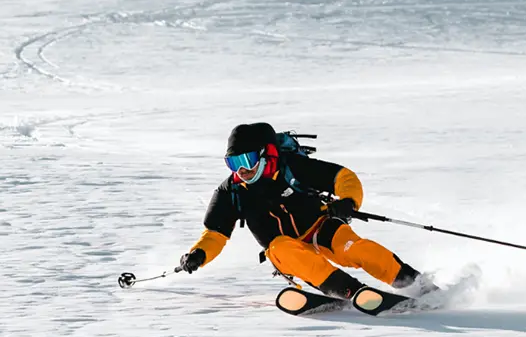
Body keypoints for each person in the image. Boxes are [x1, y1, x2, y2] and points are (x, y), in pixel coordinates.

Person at [178, 122, 429, 299]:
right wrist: (199, 254)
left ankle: (416, 284)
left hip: (321, 228)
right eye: (233, 163)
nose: (240, 170)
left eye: (246, 160)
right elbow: (215, 234)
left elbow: (343, 177)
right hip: (284, 249)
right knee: (286, 250)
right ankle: (351, 291)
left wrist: (348, 202)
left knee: (358, 249)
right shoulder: (230, 192)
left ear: (265, 155)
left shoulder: (292, 168)